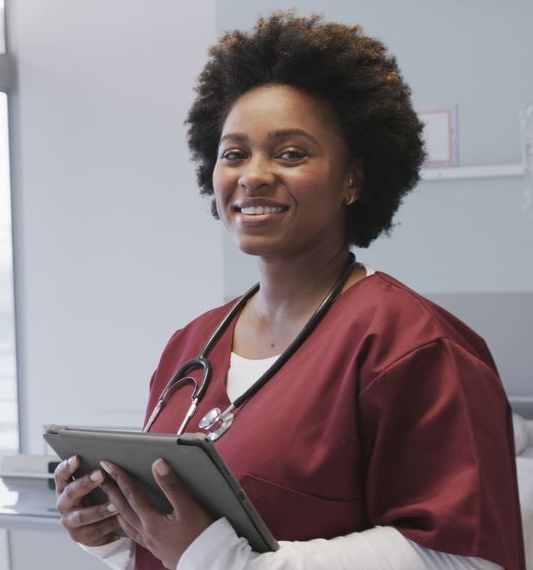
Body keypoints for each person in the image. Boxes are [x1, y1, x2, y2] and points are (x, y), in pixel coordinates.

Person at [53, 12, 525, 570]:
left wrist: (228, 562)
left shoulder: (415, 345)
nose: (252, 174)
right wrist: (114, 531)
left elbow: (466, 559)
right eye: (234, 153)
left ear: (354, 178)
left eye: (291, 152)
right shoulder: (193, 343)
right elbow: (177, 542)